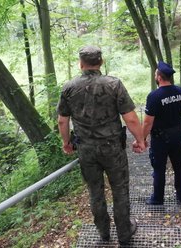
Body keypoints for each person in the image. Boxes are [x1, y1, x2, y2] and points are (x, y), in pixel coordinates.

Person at [57, 45, 145, 245]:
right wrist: (140, 140)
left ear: (81, 64)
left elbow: (62, 121)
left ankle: (103, 233)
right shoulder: (114, 84)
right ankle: (124, 234)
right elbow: (130, 118)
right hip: (112, 148)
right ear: (101, 62)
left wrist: (66, 143)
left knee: (95, 191)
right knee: (120, 190)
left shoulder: (69, 88)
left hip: (86, 150)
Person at [142, 61, 181, 206]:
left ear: (159, 77)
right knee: (179, 167)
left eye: (155, 73)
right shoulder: (180, 92)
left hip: (159, 138)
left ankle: (158, 199)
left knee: (159, 168)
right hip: (177, 136)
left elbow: (147, 122)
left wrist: (142, 138)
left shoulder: (154, 96)